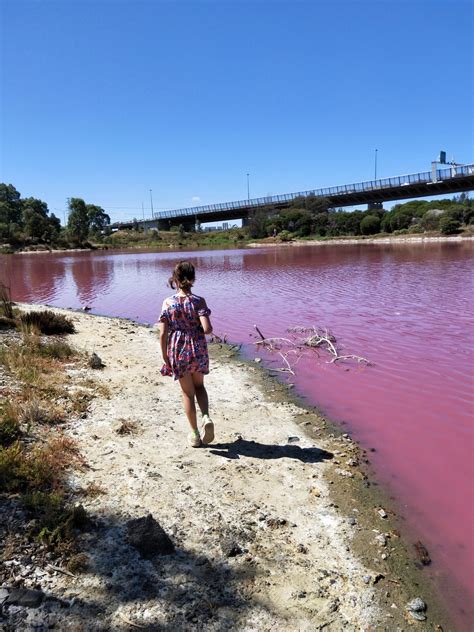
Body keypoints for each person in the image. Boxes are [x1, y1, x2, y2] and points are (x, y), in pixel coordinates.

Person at [158, 261, 214, 448]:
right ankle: (206, 417)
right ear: (193, 279)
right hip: (197, 349)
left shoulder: (168, 302)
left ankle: (195, 434)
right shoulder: (199, 301)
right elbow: (207, 329)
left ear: (175, 279)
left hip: (178, 349)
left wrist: (165, 356)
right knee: (199, 386)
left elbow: (163, 333)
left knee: (187, 393)